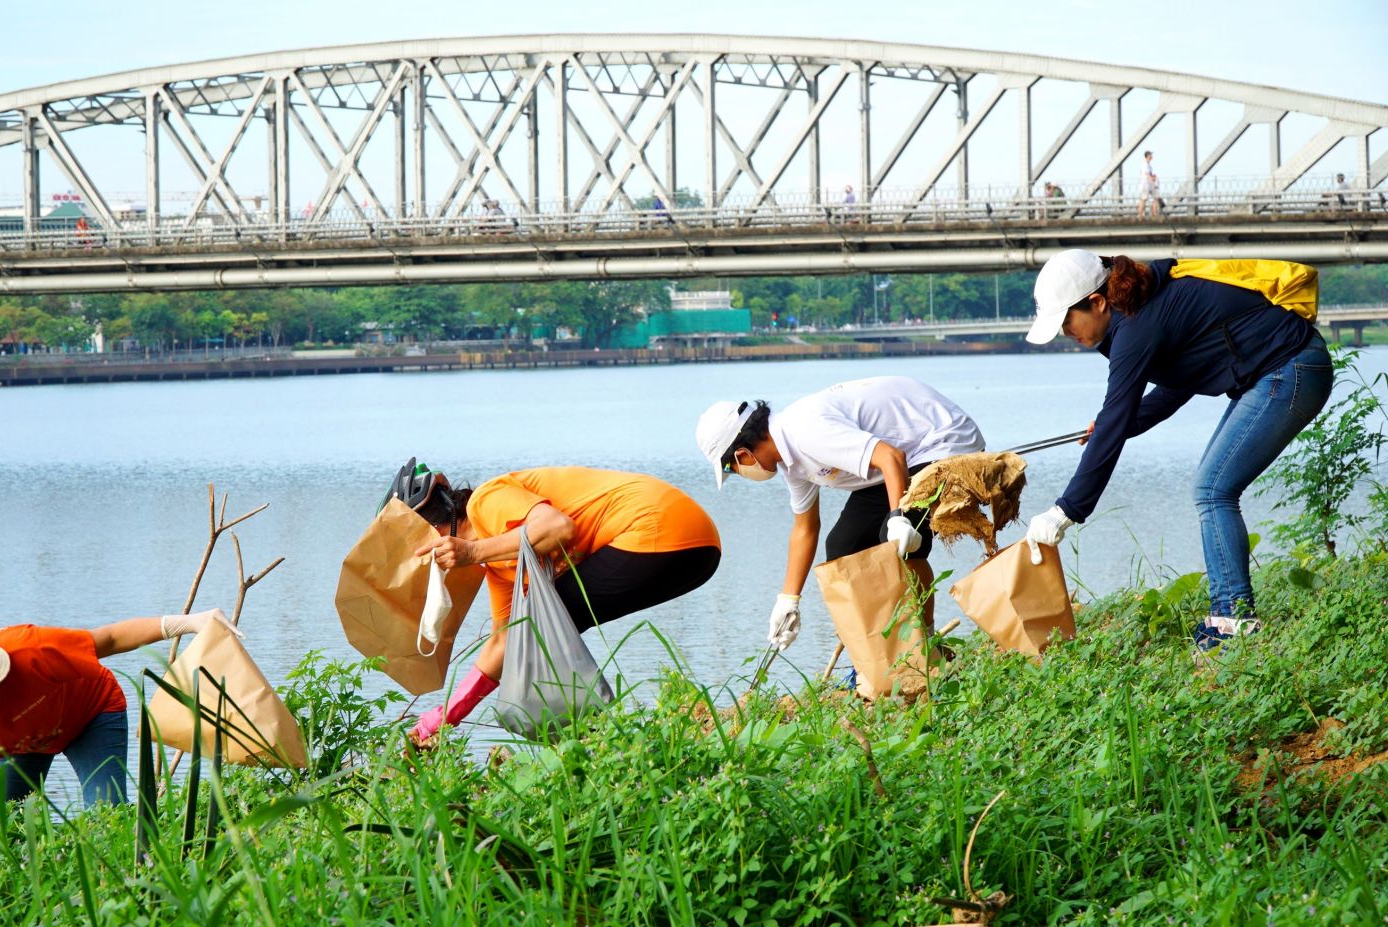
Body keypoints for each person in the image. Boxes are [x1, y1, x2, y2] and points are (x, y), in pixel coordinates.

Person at [1020, 250, 1332, 653]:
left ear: (1096, 302)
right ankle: (1231, 613)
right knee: (1213, 487)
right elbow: (1177, 385)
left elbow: (1116, 416)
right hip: (1283, 369)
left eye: (1065, 320)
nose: (1066, 332)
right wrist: (1121, 424)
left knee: (1213, 489)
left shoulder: (1135, 328)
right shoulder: (1141, 311)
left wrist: (1066, 510)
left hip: (1290, 368)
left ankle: (1233, 617)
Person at [391, 461, 722, 744]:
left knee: (543, 618)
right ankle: (594, 735)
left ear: (434, 531)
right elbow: (505, 641)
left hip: (663, 529)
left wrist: (473, 552)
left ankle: (594, 736)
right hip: (697, 552)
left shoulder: (486, 500)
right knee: (535, 624)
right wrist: (446, 715)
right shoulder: (500, 562)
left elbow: (557, 527)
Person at [695, 377, 986, 660]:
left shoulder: (806, 432)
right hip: (899, 461)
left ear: (743, 455)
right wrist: (788, 600)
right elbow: (805, 528)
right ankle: (880, 653)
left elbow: (890, 457)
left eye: (732, 469)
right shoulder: (791, 461)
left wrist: (898, 518)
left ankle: (926, 647)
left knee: (895, 541)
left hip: (942, 442)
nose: (739, 474)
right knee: (843, 548)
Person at [0, 602, 235, 813]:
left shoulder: (28, 652)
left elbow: (109, 638)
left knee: (108, 817)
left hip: (90, 714)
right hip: (13, 747)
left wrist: (191, 622)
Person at [1137, 151, 1161, 219]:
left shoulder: (1149, 165)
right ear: (1148, 156)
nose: (1152, 156)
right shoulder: (1145, 164)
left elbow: (1149, 174)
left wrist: (1153, 177)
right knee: (1143, 199)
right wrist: (1152, 181)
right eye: (1151, 155)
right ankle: (1140, 215)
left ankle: (1154, 213)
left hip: (1149, 185)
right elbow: (1147, 175)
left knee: (1154, 198)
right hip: (1145, 185)